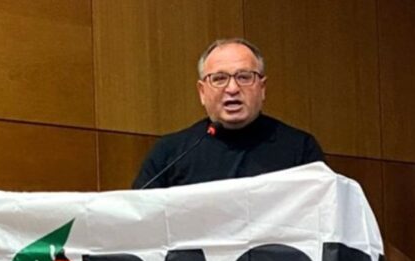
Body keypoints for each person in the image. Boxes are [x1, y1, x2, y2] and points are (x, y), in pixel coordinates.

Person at [133, 38, 324, 189]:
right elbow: (140, 215)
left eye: (244, 77)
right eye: (219, 78)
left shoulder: (300, 149)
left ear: (262, 88)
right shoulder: (170, 153)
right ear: (202, 92)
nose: (232, 88)